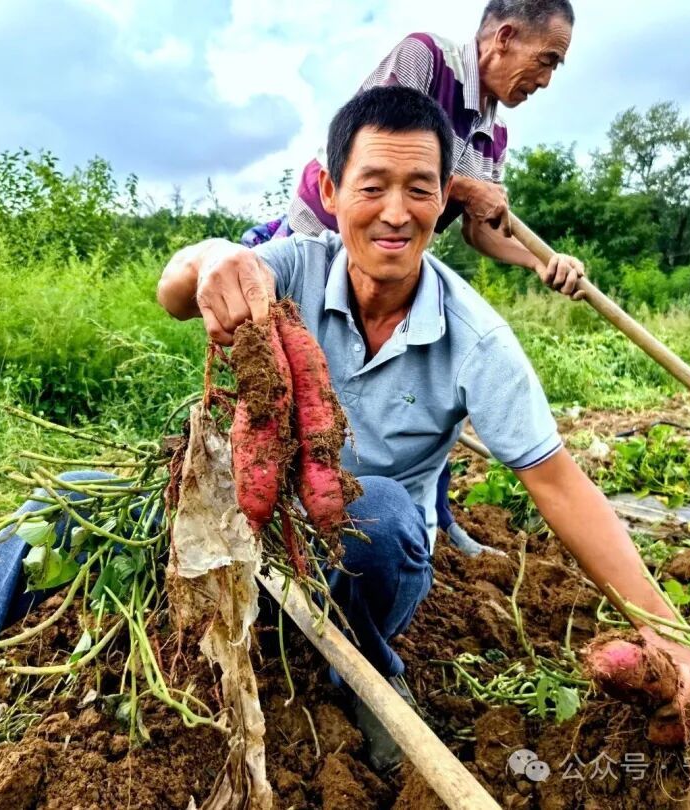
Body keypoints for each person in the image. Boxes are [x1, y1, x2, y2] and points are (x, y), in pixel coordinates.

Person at [159, 85, 690, 766]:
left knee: (381, 509)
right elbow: (174, 289)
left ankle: (367, 666)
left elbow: (559, 485)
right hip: (261, 535)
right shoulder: (293, 267)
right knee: (57, 505)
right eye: (373, 187)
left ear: (442, 200)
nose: (396, 213)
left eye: (419, 189)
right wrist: (213, 255)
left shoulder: (476, 337)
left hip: (375, 562)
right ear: (330, 193)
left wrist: (665, 630)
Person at [242, 0, 587, 556]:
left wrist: (539, 262)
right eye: (546, 60)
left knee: (422, 397)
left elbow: (481, 231)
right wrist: (459, 185)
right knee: (294, 393)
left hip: (394, 266)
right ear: (503, 38)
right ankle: (280, 513)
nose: (545, 80)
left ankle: (429, 517)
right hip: (328, 246)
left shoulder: (493, 137)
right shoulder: (427, 60)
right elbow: (368, 146)